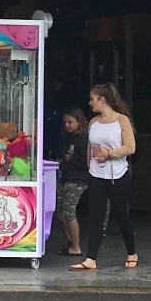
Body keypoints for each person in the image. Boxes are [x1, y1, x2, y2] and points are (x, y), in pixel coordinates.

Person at [72, 83, 138, 271]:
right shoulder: (93, 122)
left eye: (92, 99)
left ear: (102, 100)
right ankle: (90, 258)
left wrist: (109, 154)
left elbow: (130, 147)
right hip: (96, 174)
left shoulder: (122, 120)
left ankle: (132, 253)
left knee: (120, 215)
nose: (90, 103)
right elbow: (90, 146)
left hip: (118, 174)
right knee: (96, 216)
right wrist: (90, 163)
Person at [53, 107, 91, 259]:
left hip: (77, 180)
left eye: (70, 122)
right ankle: (71, 240)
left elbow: (86, 161)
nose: (67, 125)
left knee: (69, 211)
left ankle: (76, 247)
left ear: (79, 122)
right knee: (59, 210)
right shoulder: (68, 138)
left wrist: (70, 159)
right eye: (65, 122)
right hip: (66, 177)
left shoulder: (83, 139)